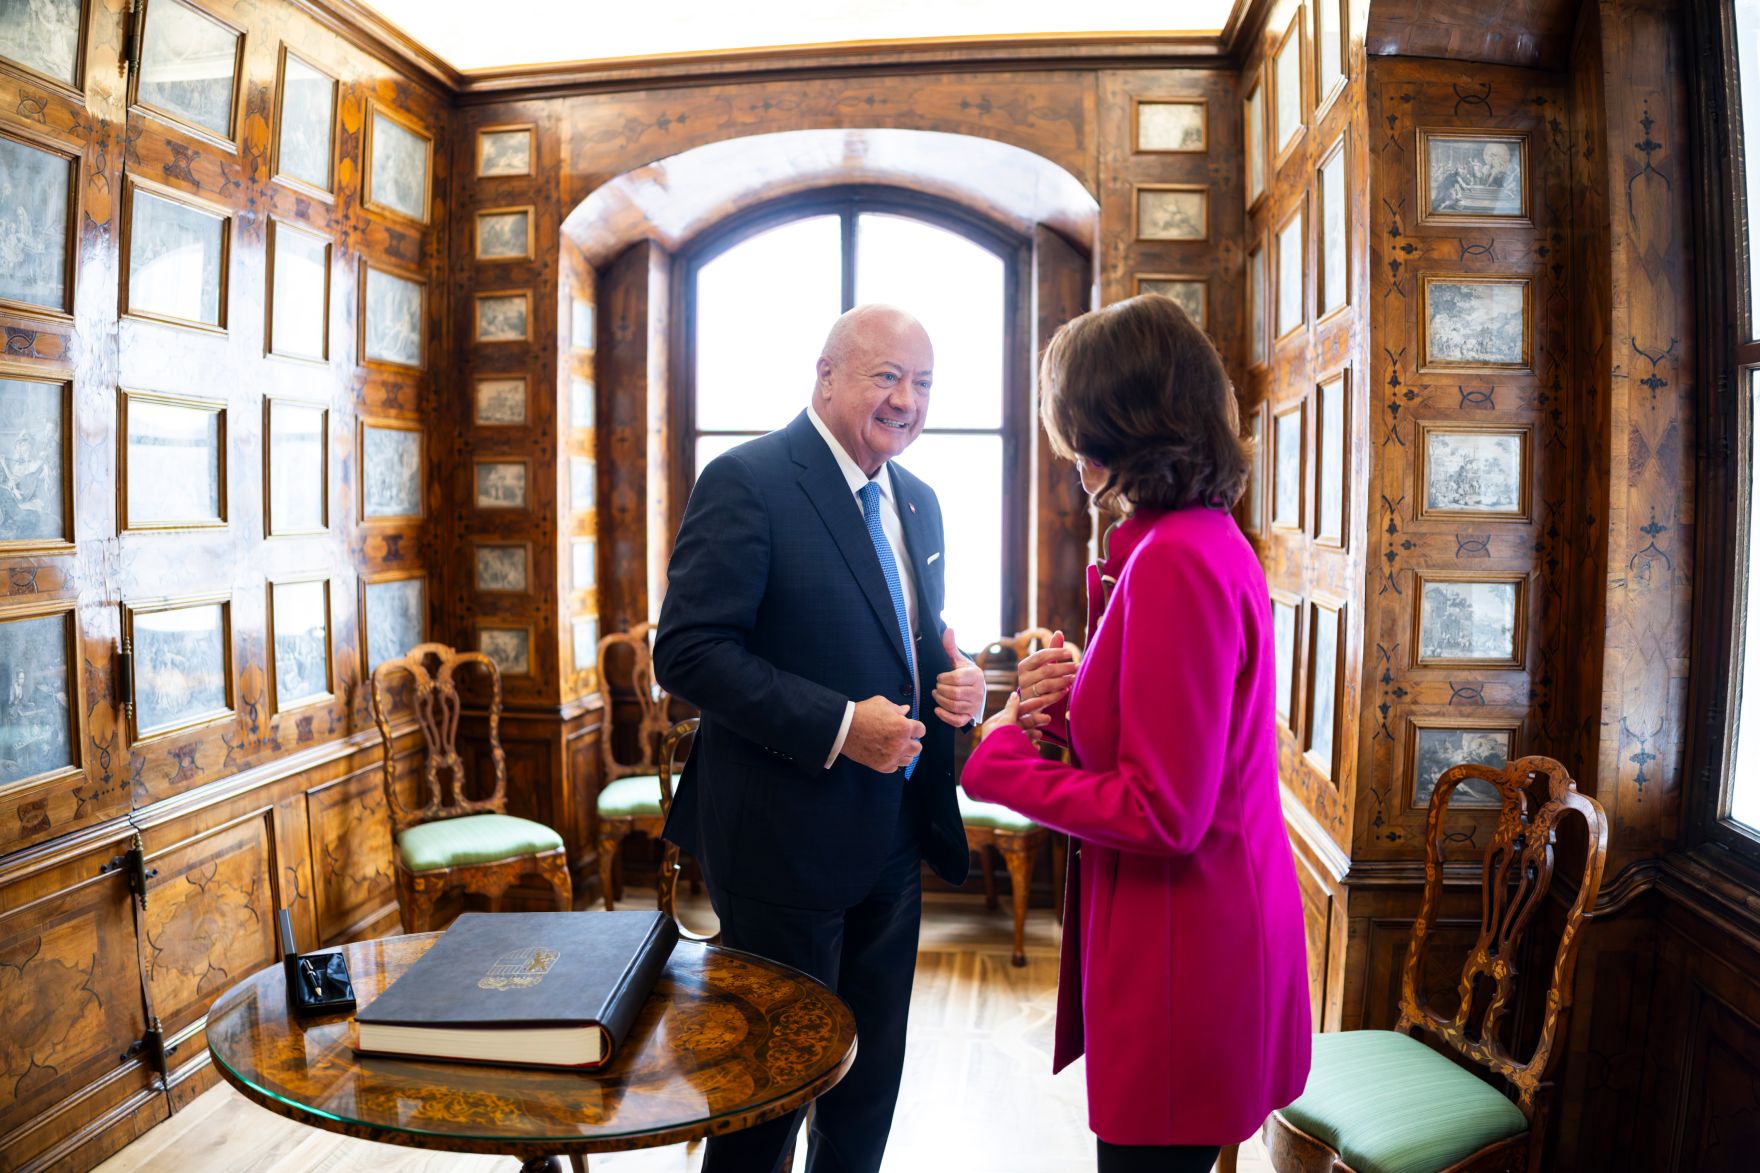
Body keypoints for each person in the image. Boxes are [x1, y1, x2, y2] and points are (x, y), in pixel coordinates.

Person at [962, 294, 1312, 1173]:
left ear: (1112, 427)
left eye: (1074, 427)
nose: (1070, 452)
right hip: (1195, 937)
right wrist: (1084, 695)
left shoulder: (1178, 560)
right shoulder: (1193, 539)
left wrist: (1000, 759)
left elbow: (1164, 813)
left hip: (1182, 958)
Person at [654, 304, 987, 1173]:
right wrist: (841, 727)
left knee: (868, 1085)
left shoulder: (918, 498)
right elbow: (687, 653)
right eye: (887, 376)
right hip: (780, 846)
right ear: (827, 374)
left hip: (897, 837)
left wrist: (961, 680)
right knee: (765, 1097)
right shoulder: (750, 479)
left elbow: (915, 631)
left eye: (922, 383)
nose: (907, 400)